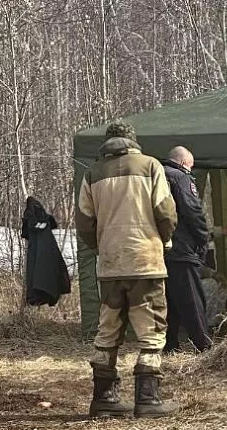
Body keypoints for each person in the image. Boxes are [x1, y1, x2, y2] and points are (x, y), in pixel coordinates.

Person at [76, 120, 179, 419]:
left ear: (107, 144)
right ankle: (148, 399)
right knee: (151, 329)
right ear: (133, 141)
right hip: (145, 261)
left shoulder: (92, 173)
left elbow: (84, 221)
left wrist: (102, 246)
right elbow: (166, 212)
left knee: (107, 329)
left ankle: (104, 397)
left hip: (110, 264)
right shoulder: (150, 166)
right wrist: (165, 240)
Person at [161, 146, 227, 353]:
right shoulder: (181, 178)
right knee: (192, 299)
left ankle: (170, 344)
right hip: (182, 249)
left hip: (160, 250)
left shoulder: (157, 177)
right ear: (184, 163)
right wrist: (203, 237)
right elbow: (192, 210)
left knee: (170, 301)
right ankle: (204, 345)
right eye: (191, 167)